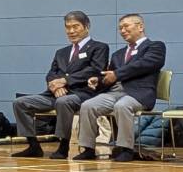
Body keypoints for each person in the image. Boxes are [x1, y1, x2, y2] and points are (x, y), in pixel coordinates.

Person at [10, 11, 109, 159]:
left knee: (64, 101)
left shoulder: (99, 47)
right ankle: (33, 145)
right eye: (68, 27)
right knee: (20, 103)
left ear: (86, 26)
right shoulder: (61, 52)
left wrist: (65, 81)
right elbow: (52, 73)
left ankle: (63, 146)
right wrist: (55, 86)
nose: (71, 31)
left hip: (82, 94)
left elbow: (94, 70)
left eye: (75, 26)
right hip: (54, 94)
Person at [74, 14, 167, 163]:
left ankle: (125, 149)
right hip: (115, 92)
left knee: (122, 106)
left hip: (139, 93)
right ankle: (88, 148)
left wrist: (117, 74)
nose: (122, 30)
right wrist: (97, 81)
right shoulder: (118, 54)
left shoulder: (155, 46)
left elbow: (146, 64)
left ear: (140, 27)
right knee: (88, 105)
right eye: (120, 28)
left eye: (126, 26)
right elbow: (108, 77)